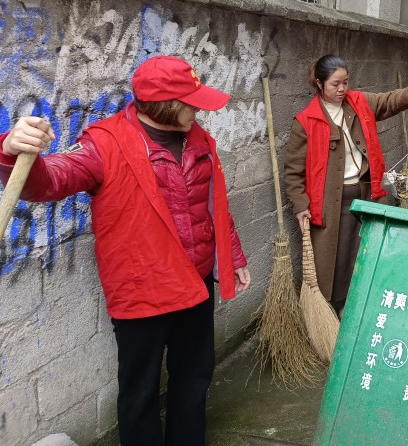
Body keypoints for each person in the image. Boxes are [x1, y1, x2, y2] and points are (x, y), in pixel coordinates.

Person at [0, 56, 251, 446]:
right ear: (166, 105)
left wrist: (232, 256)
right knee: (140, 393)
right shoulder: (105, 144)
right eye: (191, 101)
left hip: (196, 282)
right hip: (143, 290)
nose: (199, 108)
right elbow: (50, 181)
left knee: (194, 378)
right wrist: (13, 151)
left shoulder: (198, 139)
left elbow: (214, 206)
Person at [284, 54, 408, 313]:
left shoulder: (358, 102)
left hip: (366, 193)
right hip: (331, 203)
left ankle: (361, 302)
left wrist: (407, 94)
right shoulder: (306, 121)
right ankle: (333, 310)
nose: (342, 89)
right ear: (319, 84)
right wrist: (301, 205)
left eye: (345, 82)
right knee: (336, 259)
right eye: (335, 84)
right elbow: (293, 172)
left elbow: (386, 101)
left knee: (364, 251)